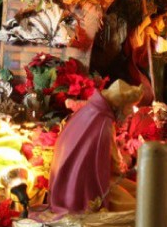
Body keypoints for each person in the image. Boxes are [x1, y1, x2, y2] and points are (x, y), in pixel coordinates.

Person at [48, 79, 143, 214]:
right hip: (90, 188)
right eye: (129, 107)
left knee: (139, 192)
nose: (131, 113)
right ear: (119, 106)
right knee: (140, 207)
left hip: (68, 185)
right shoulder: (104, 124)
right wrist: (128, 162)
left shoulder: (90, 110)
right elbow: (115, 166)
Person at [123, 10, 167, 106]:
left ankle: (156, 104)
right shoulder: (150, 24)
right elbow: (134, 39)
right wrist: (144, 25)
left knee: (156, 86)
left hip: (157, 61)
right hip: (145, 60)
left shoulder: (166, 30)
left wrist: (153, 36)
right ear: (162, 15)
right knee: (146, 83)